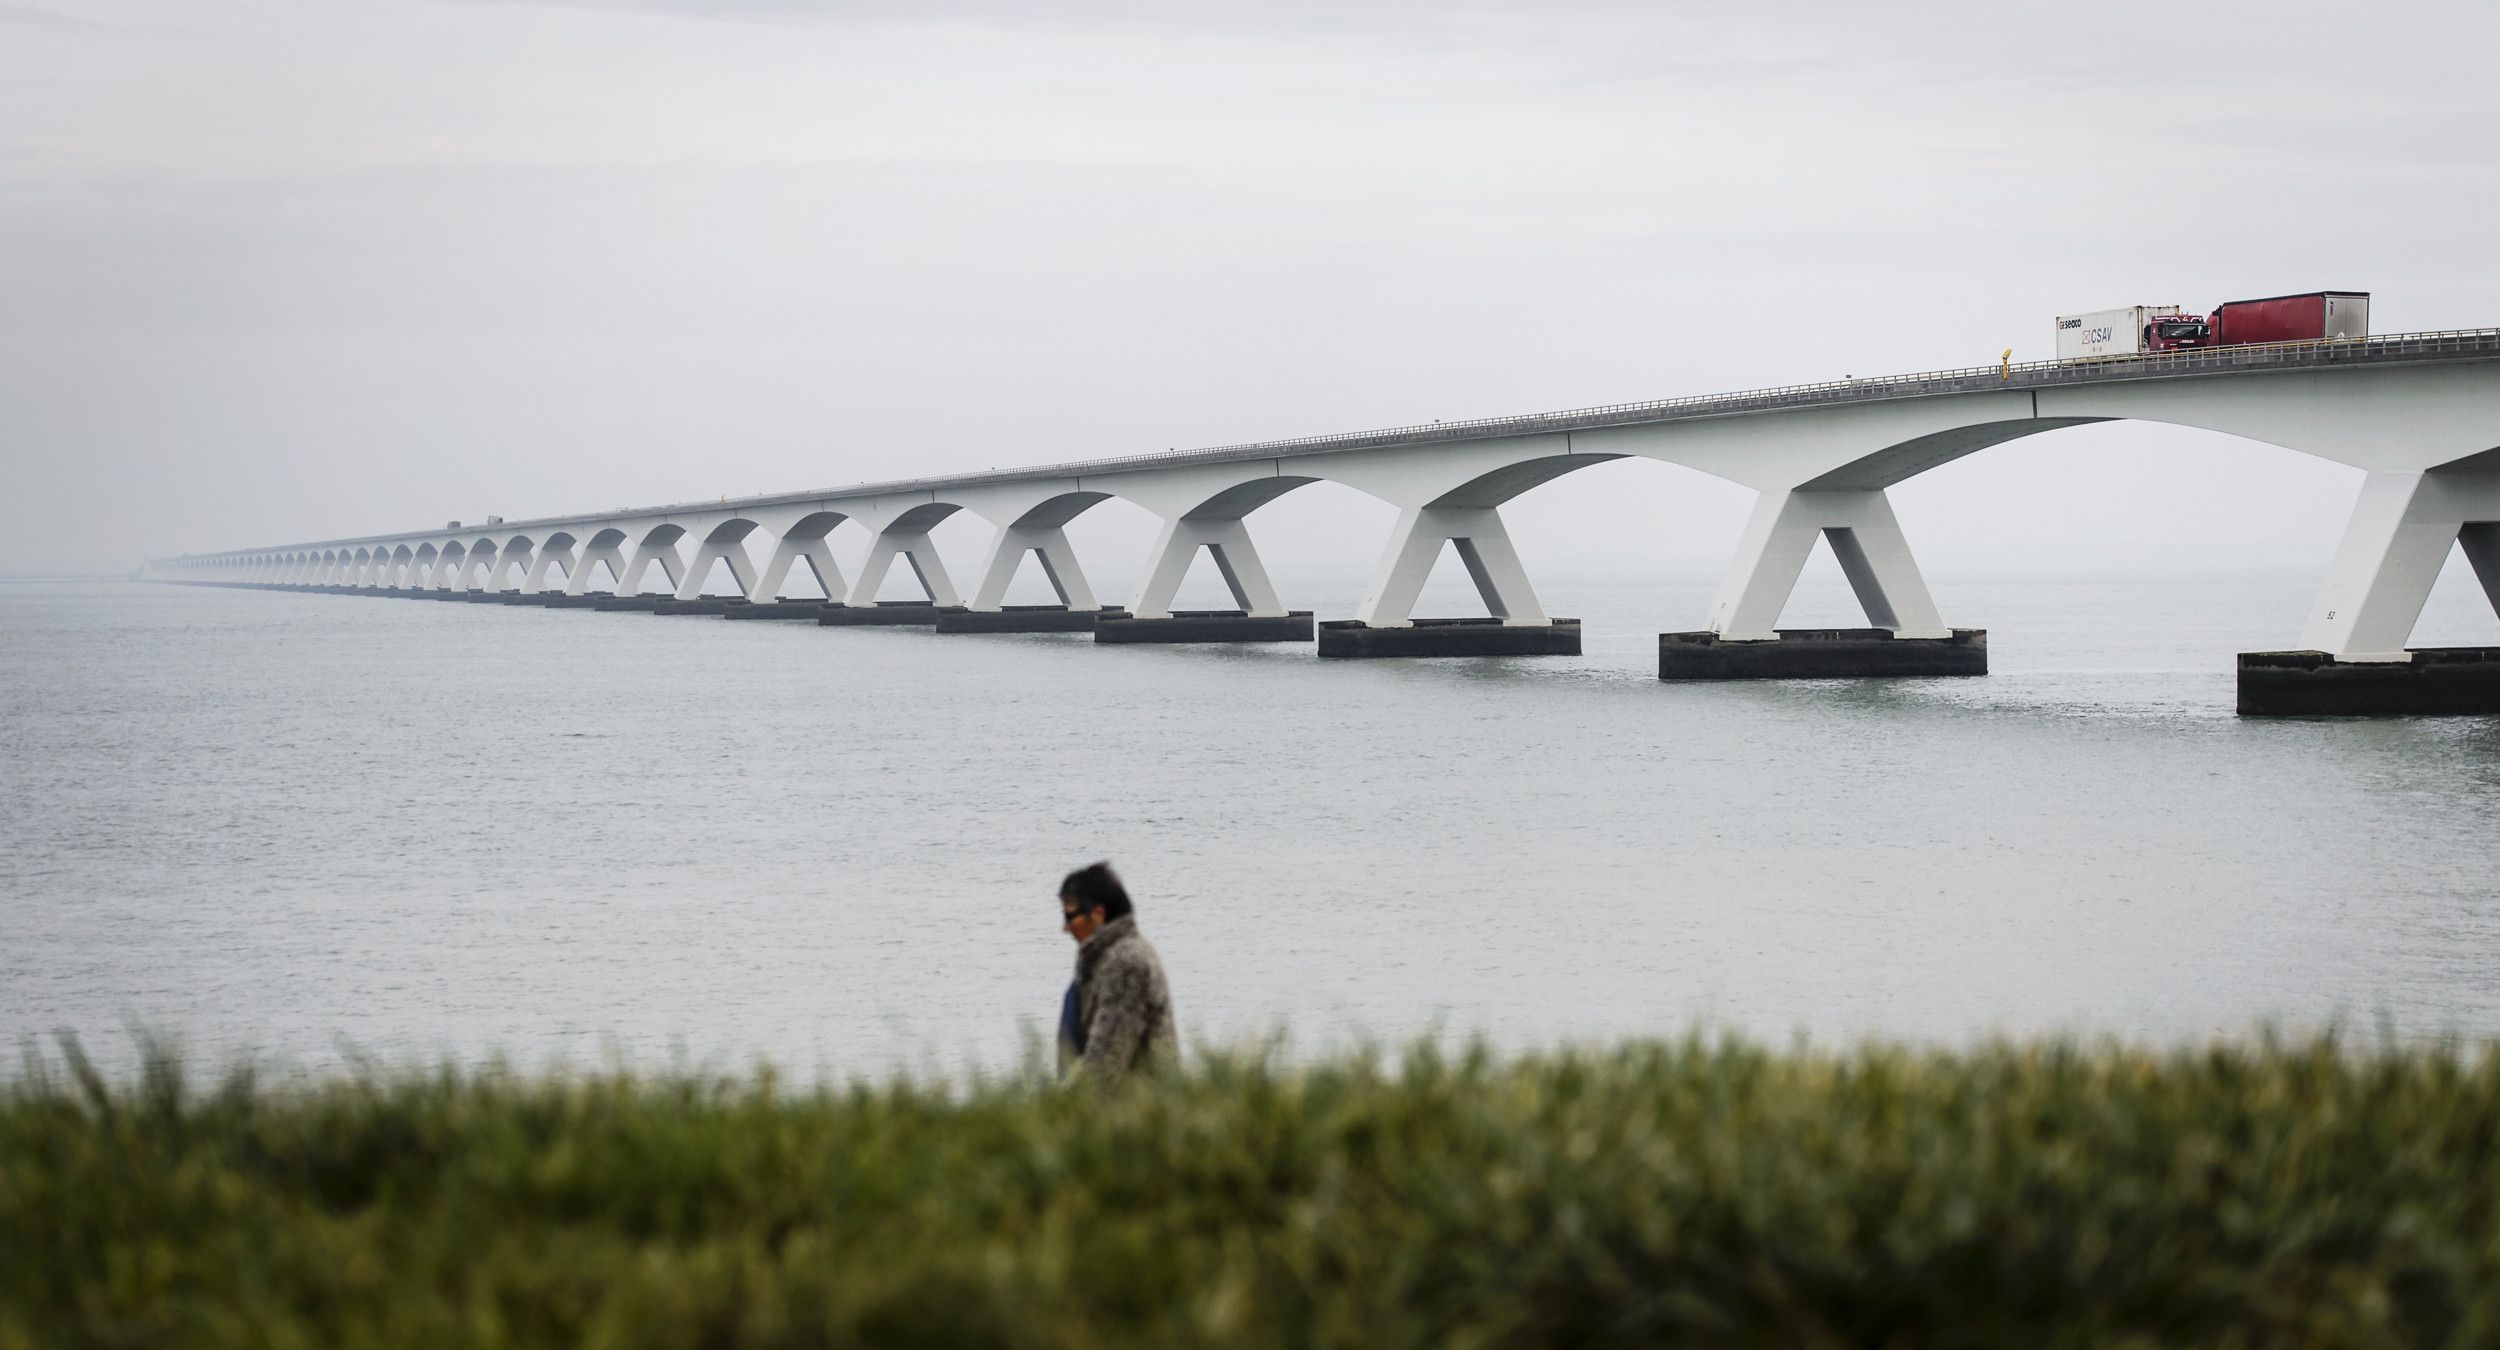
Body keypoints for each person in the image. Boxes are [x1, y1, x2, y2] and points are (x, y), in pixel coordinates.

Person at [1054, 862, 1177, 1094]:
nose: (1065, 928)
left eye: (1071, 917)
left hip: (1140, 1116)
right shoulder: (1103, 961)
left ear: (1098, 915)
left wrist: (1058, 1114)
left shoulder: (1126, 964)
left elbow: (1105, 1062)